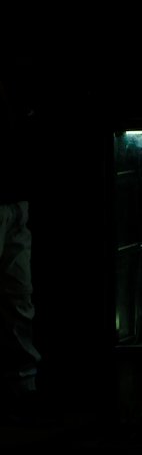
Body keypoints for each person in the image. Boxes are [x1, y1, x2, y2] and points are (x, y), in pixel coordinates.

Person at [0, 79, 39, 413]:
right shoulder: (17, 87)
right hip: (14, 194)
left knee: (18, 296)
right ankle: (23, 387)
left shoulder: (14, 87)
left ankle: (23, 387)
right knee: (17, 296)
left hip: (15, 194)